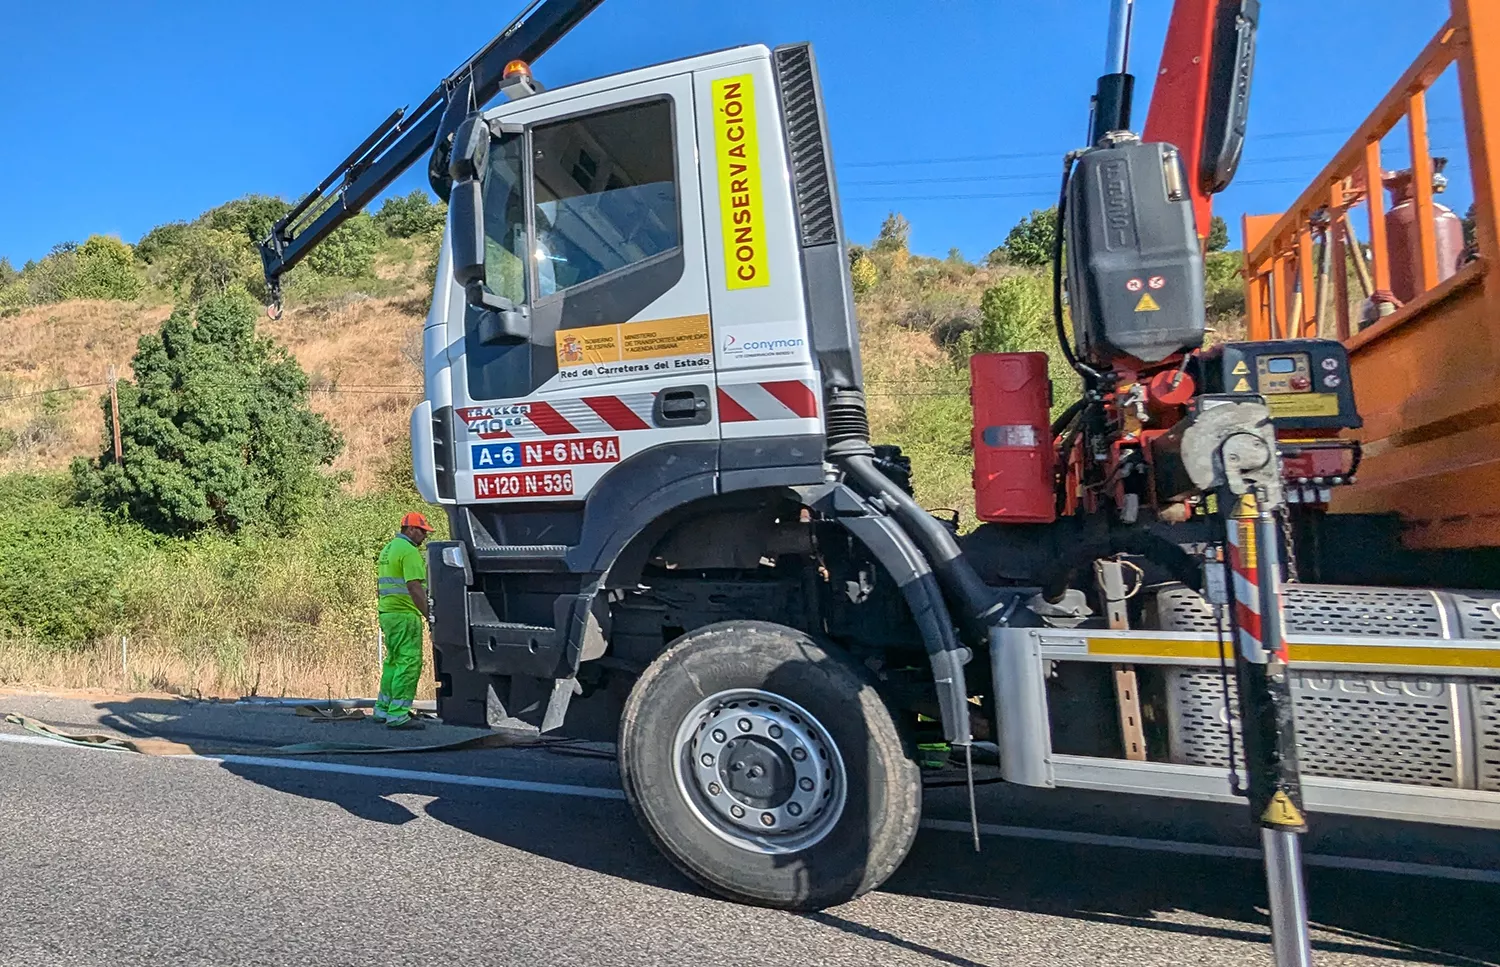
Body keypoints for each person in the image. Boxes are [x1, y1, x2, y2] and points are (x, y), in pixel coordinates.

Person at [375, 512, 435, 729]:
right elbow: (414, 587)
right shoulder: (409, 551)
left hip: (388, 614)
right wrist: (430, 615)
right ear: (410, 529)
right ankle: (398, 714)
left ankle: (383, 709)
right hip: (405, 615)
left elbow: (379, 586)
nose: (424, 537)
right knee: (409, 663)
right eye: (422, 531)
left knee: (393, 662)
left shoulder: (388, 549)